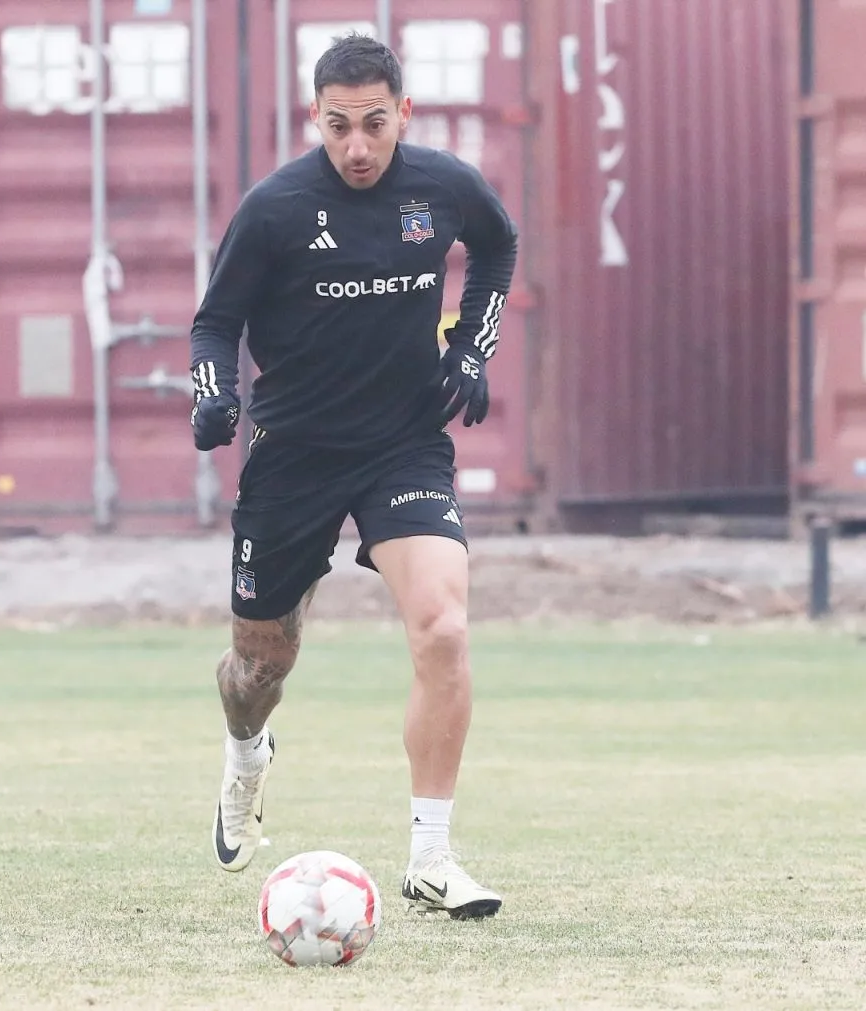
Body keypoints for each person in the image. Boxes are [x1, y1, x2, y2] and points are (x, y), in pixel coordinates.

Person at [188, 32, 517, 920]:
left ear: (403, 114)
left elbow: (497, 248)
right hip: (292, 455)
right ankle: (247, 755)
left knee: (444, 628)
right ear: (316, 119)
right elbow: (214, 324)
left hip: (402, 446)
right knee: (260, 666)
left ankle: (431, 857)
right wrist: (215, 398)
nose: (359, 146)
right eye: (340, 127)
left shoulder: (443, 186)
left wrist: (472, 349)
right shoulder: (276, 208)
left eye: (375, 124)